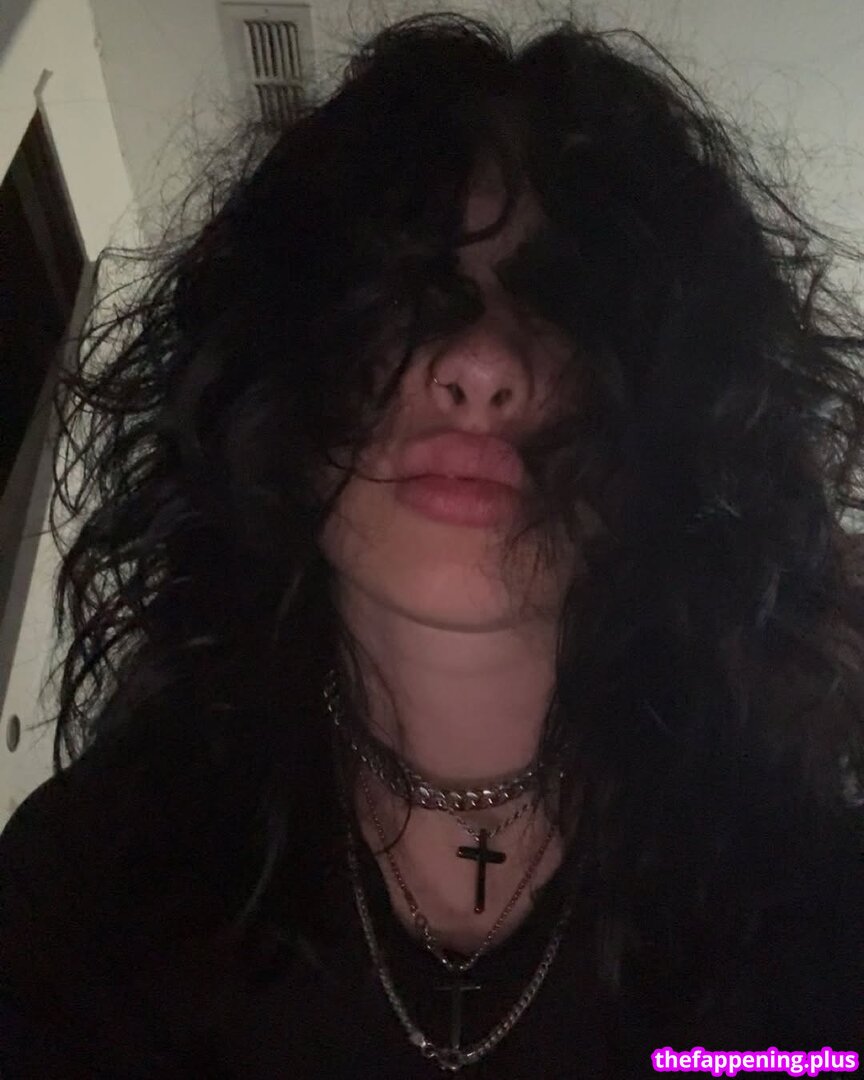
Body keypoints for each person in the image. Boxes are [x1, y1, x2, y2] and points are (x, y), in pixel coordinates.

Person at [0, 12, 862, 1079]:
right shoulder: (90, 887)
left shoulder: (814, 915)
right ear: (279, 379)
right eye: (413, 293)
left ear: (677, 424)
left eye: (564, 304)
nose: (480, 363)